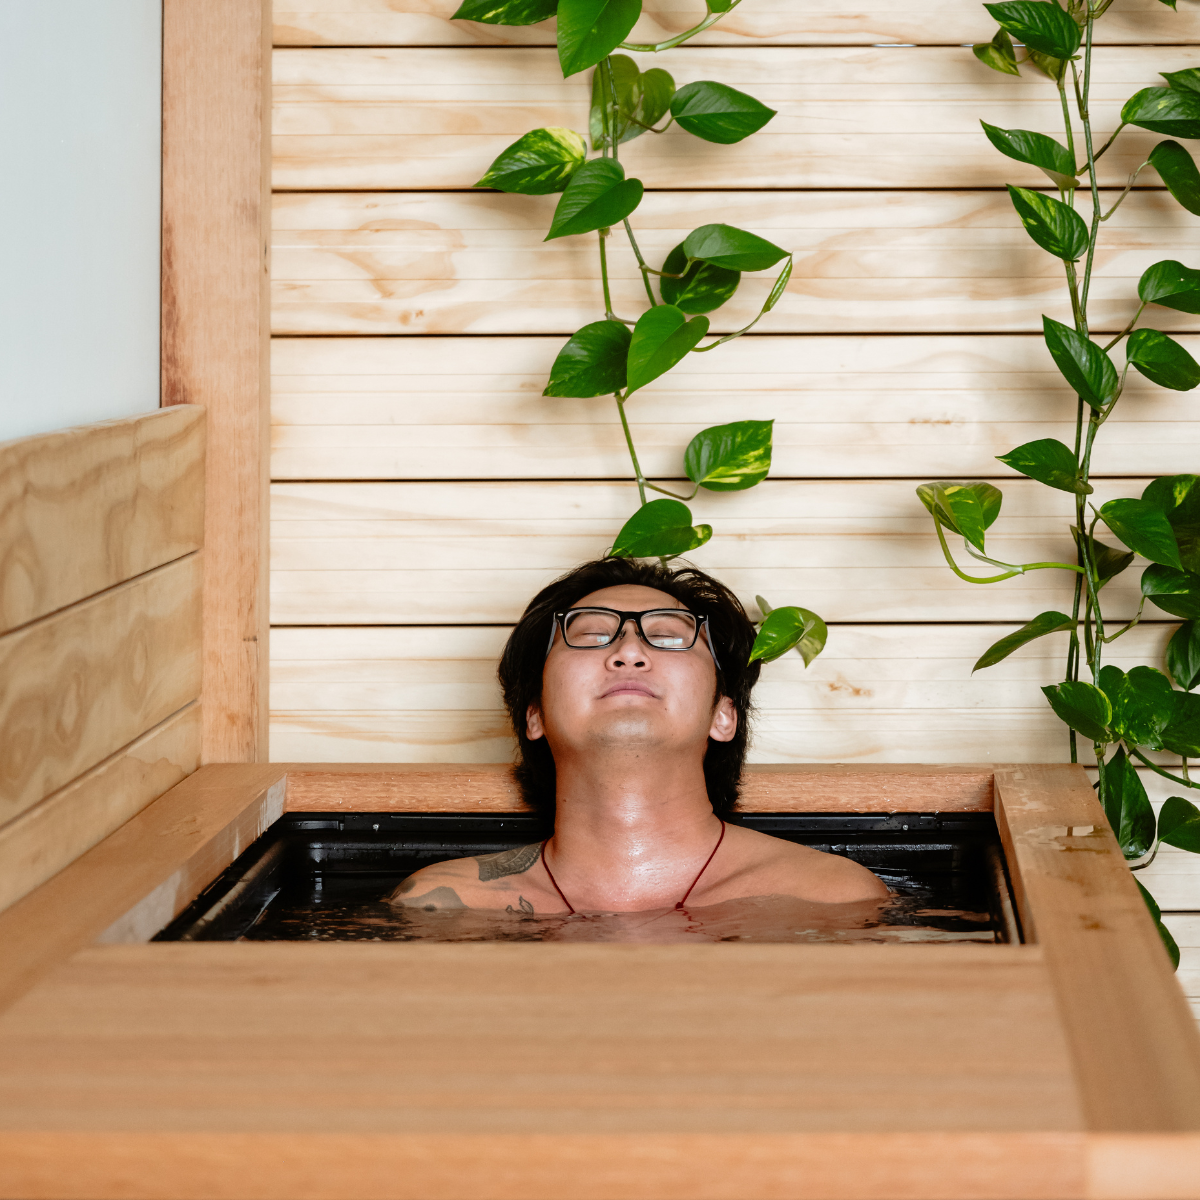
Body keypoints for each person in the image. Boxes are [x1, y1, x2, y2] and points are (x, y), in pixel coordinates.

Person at [389, 557, 888, 915]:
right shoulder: (446, 907)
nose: (629, 653)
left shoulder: (831, 899)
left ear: (723, 715)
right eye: (590, 635)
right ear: (533, 715)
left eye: (669, 636)